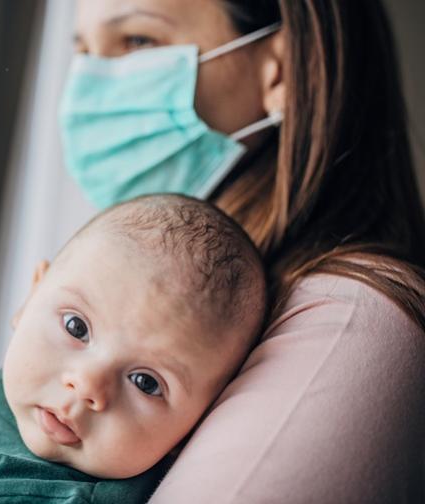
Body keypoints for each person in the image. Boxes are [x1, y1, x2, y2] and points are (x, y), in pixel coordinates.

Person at [57, 1, 424, 502]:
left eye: (139, 42)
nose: (89, 89)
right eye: (83, 50)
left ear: (281, 71)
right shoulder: (126, 276)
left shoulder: (349, 317)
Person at [0, 194, 267, 503]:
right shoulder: (9, 395)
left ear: (192, 430)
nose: (86, 384)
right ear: (31, 298)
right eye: (76, 327)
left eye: (145, 382)